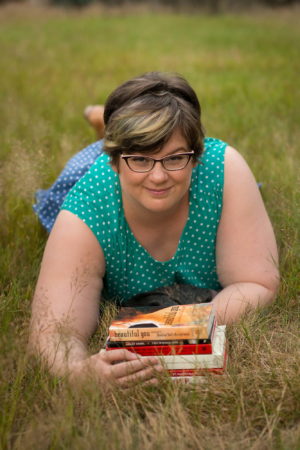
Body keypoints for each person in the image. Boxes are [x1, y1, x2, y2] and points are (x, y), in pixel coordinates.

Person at [29, 71, 279, 389]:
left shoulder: (223, 169)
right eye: (140, 158)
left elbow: (257, 281)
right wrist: (78, 374)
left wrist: (182, 331)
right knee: (64, 192)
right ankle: (100, 128)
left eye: (175, 157)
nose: (158, 177)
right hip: (98, 181)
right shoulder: (86, 207)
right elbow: (52, 332)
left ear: (196, 156)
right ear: (116, 161)